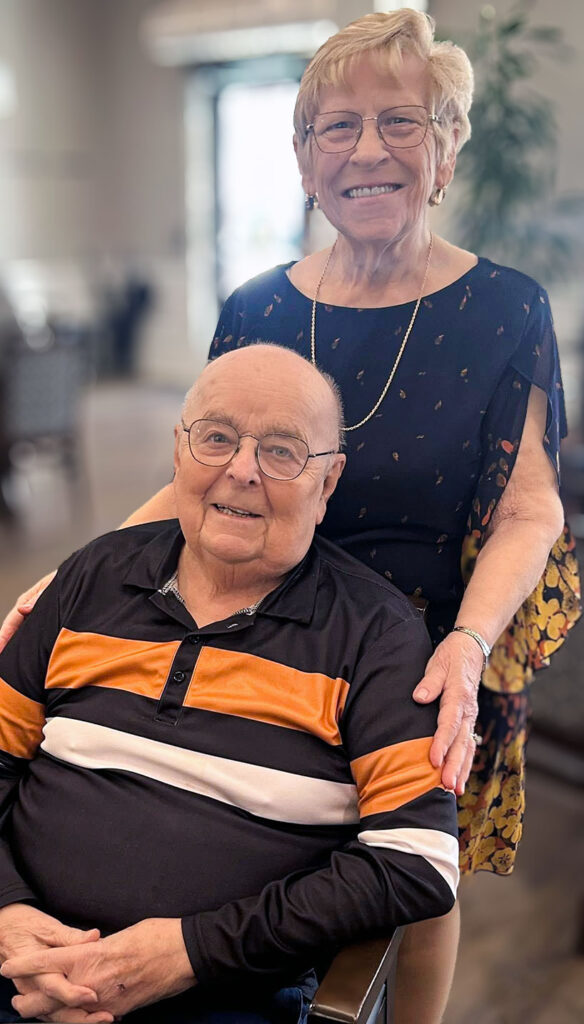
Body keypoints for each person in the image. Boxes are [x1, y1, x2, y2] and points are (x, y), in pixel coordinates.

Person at [0, 9, 580, 1023]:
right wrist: (82, 572)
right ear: (305, 159)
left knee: (407, 869)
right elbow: (206, 470)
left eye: (401, 121)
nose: (367, 150)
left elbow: (530, 510)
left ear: (446, 148)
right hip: (251, 610)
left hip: (421, 645)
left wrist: (466, 644)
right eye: (336, 126)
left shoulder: (504, 309)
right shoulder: (257, 305)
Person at [0, 345, 459, 1024]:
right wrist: (8, 915)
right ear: (178, 451)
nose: (241, 471)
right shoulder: (92, 577)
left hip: (224, 993)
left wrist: (189, 952)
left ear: (328, 483)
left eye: (281, 451)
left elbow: (417, 860)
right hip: (20, 962)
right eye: (216, 438)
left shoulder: (374, 635)